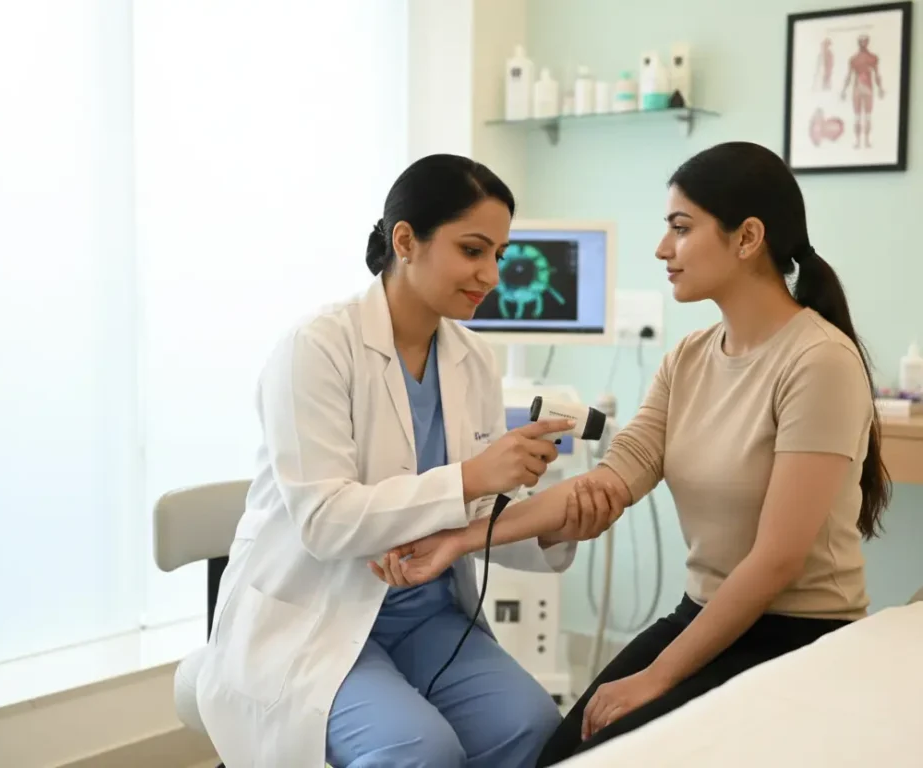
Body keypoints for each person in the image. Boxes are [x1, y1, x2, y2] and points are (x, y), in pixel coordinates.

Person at [372, 142, 891, 764]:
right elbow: (615, 478)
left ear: (748, 237)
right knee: (562, 750)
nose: (661, 248)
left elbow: (777, 561)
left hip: (798, 632)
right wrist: (459, 539)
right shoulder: (690, 359)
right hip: (702, 614)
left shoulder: (819, 362)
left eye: (680, 227)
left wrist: (657, 677)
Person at [194, 153, 624, 768]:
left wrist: (558, 525)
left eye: (499, 255)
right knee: (420, 752)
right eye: (473, 250)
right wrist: (479, 473)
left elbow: (468, 517)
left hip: (427, 619)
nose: (492, 276)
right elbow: (323, 520)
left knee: (534, 729)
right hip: (319, 615)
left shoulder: (471, 359)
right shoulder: (316, 348)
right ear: (405, 241)